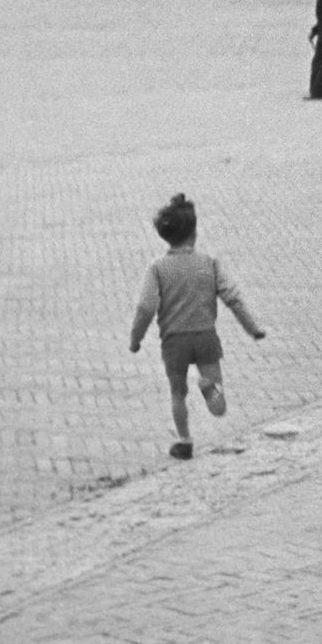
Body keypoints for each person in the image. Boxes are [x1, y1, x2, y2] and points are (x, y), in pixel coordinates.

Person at [129, 193, 267, 460]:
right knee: (219, 405)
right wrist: (252, 328)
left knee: (177, 394)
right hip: (205, 337)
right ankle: (209, 388)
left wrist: (135, 339)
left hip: (174, 342)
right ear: (194, 232)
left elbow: (146, 307)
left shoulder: (157, 269)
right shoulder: (209, 263)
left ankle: (185, 441)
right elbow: (232, 297)